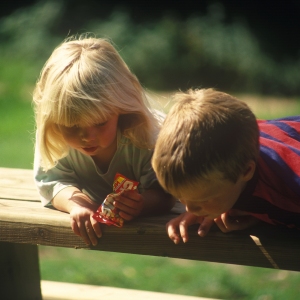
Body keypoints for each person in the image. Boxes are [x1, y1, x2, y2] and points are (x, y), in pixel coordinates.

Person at [33, 35, 175, 246]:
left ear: (122, 109)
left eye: (100, 123)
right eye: (72, 127)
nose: (87, 137)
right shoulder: (55, 135)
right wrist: (78, 205)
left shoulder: (147, 136)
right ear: (54, 119)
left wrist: (141, 204)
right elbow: (51, 181)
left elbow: (166, 192)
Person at [152, 88, 300, 244]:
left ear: (246, 171)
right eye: (181, 197)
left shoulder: (289, 182)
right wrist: (258, 215)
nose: (190, 209)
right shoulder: (236, 148)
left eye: (205, 199)